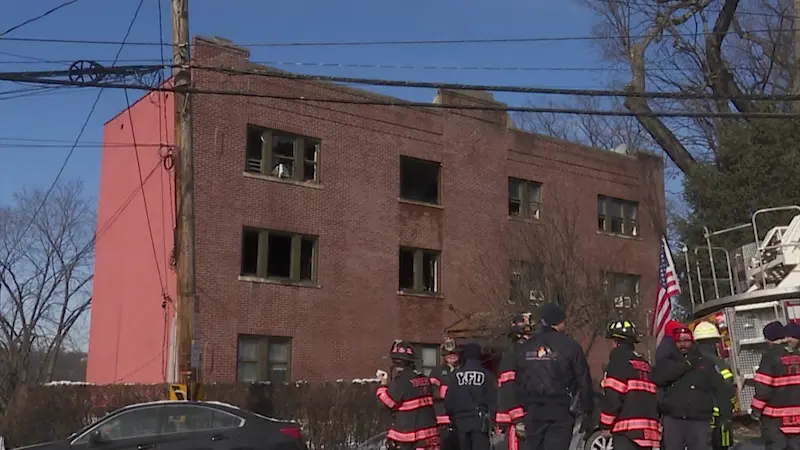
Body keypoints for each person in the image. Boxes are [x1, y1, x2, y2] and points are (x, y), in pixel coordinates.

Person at [512, 303, 593, 450]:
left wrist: (524, 406)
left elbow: (518, 381)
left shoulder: (525, 348)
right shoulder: (570, 346)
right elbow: (583, 380)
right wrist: (588, 411)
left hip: (533, 411)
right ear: (559, 322)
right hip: (560, 410)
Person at [651, 325, 732, 450]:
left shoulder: (705, 363)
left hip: (699, 419)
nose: (683, 344)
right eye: (679, 341)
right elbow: (657, 380)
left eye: (686, 341)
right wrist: (684, 365)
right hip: (673, 418)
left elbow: (720, 390)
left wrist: (725, 416)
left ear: (692, 341)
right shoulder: (667, 362)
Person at [599, 320, 660, 450]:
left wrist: (605, 425)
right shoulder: (645, 364)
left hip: (627, 432)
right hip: (648, 432)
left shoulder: (618, 361)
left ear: (615, 342)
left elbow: (613, 396)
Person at [376, 340, 440, 450]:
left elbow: (388, 402)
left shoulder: (401, 380)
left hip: (409, 436)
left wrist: (383, 384)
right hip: (430, 432)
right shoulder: (424, 378)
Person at [751, 321, 800, 450]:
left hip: (776, 421)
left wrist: (755, 411)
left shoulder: (769, 357)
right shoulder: (798, 355)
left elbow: (763, 389)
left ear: (768, 339)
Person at [444, 342, 497, 450]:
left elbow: (449, 401)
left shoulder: (456, 375)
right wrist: (492, 417)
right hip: (480, 420)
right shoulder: (487, 375)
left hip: (461, 421)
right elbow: (493, 399)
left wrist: (453, 417)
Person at [693, 322, 735, 450]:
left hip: (697, 417)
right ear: (715, 342)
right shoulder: (719, 362)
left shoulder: (690, 361)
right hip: (720, 415)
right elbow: (729, 388)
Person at [497, 313, 533, 450]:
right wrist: (518, 419)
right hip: (516, 420)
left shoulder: (525, 355)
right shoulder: (512, 356)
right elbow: (508, 389)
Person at [430, 337, 461, 450]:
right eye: (448, 353)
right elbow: (432, 390)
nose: (451, 356)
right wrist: (447, 391)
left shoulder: (463, 370)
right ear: (443, 355)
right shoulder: (437, 371)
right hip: (442, 419)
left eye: (454, 353)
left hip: (459, 418)